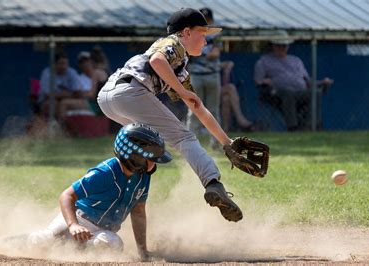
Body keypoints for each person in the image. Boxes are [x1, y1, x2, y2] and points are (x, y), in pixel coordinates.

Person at [97, 8, 243, 222]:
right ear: (186, 32)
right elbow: (157, 60)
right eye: (202, 34)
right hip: (131, 93)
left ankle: (109, 202)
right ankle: (213, 183)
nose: (205, 41)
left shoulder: (179, 68)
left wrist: (226, 142)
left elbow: (197, 107)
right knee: (185, 138)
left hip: (108, 99)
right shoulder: (174, 43)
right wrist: (182, 91)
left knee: (147, 148)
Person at [28, 123, 172, 260]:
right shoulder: (105, 172)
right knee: (43, 242)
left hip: (101, 233)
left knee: (113, 244)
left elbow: (138, 212)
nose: (155, 164)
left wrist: (143, 251)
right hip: (78, 219)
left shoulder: (143, 177)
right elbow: (67, 195)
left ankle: (76, 249)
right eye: (152, 159)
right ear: (135, 157)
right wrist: (73, 225)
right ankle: (17, 242)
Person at [254, 30, 333, 131]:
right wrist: (266, 82)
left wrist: (322, 82)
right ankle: (293, 127)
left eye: (284, 45)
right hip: (276, 93)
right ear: (273, 45)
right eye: (279, 45)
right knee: (288, 93)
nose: (282, 48)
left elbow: (307, 80)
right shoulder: (264, 61)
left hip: (300, 91)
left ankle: (310, 126)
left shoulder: (295, 60)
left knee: (315, 93)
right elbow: (258, 81)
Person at [187, 7, 221, 147]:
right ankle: (189, 143)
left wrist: (200, 53)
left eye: (208, 20)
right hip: (196, 76)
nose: (206, 22)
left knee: (213, 110)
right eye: (203, 19)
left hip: (212, 75)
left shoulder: (214, 35)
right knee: (194, 109)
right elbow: (189, 53)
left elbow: (215, 53)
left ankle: (217, 143)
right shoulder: (190, 33)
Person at [39, 51, 87, 121]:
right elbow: (48, 95)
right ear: (54, 64)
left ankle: (63, 128)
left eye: (66, 64)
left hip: (69, 101)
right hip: (48, 101)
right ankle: (56, 127)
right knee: (55, 104)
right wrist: (68, 94)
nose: (64, 66)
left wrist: (60, 95)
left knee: (64, 103)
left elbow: (77, 94)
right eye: (61, 64)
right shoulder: (47, 73)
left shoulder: (72, 72)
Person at [220, 60, 253, 132]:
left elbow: (230, 63)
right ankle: (240, 118)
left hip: (218, 92)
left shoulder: (214, 60)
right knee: (231, 87)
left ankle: (225, 130)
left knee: (226, 99)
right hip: (205, 91)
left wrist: (227, 70)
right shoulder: (198, 59)